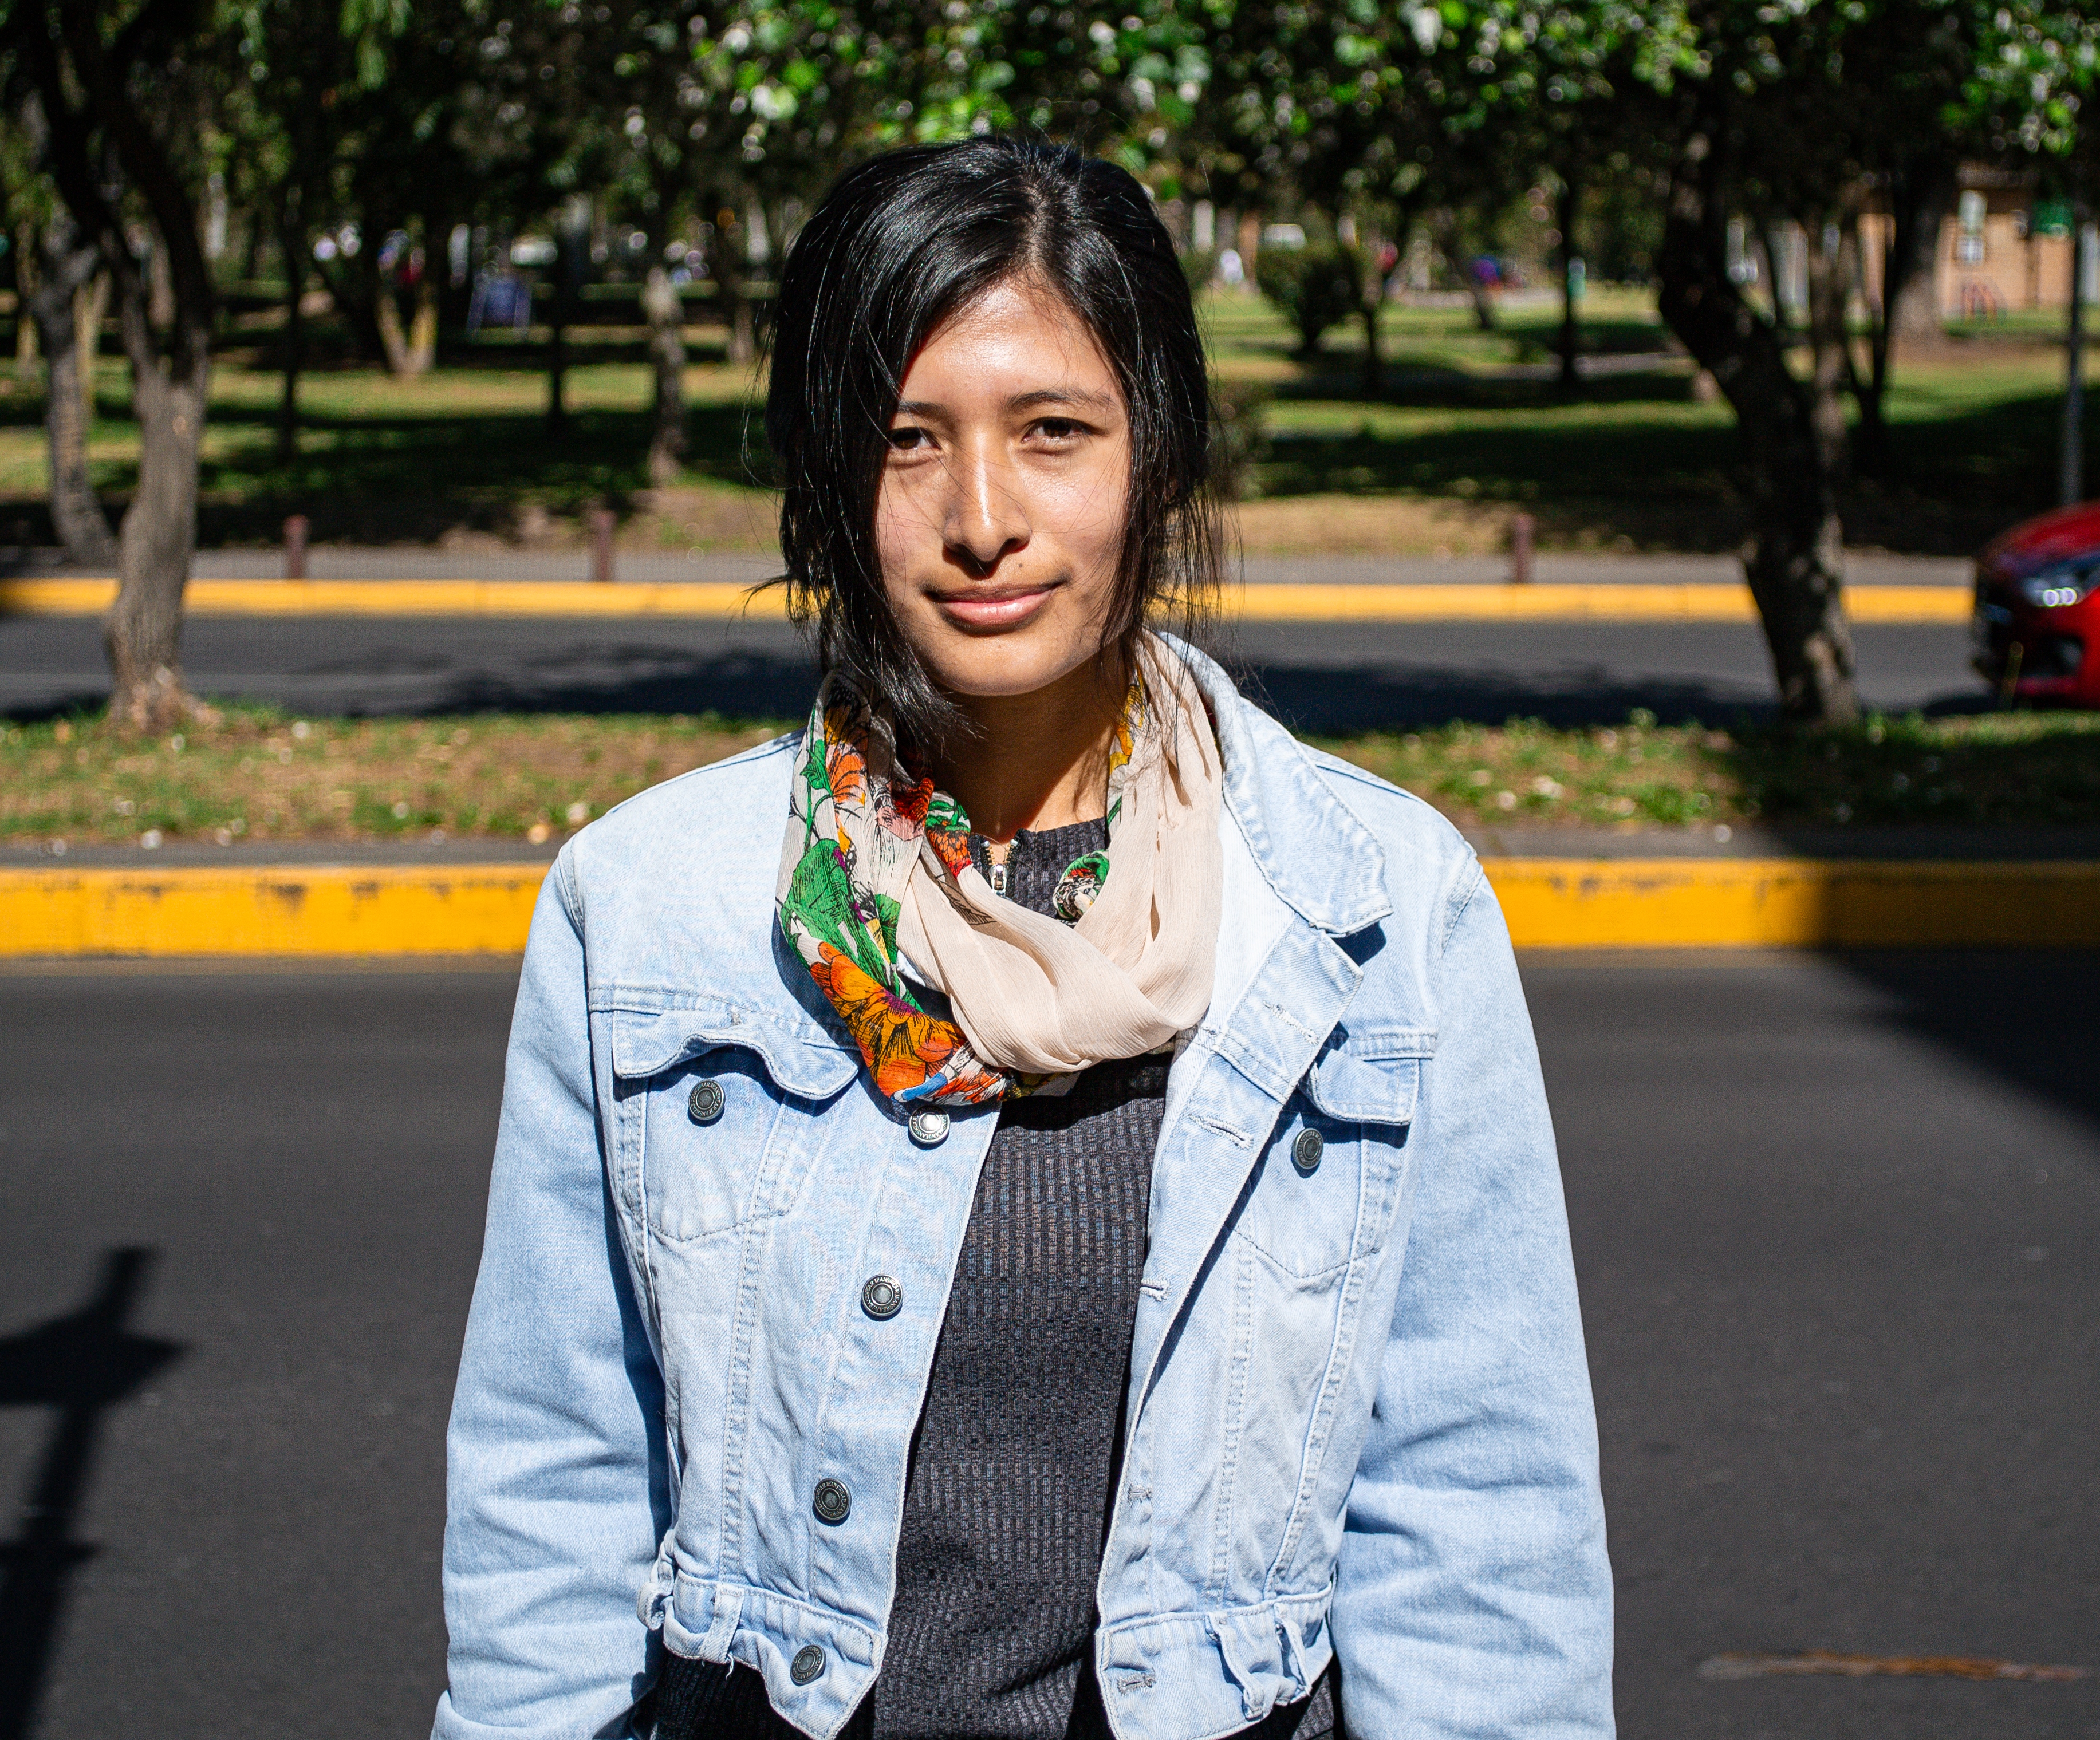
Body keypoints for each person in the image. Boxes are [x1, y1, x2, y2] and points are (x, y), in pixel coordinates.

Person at [434, 136, 1611, 1740]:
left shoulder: (1377, 914)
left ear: (1160, 457)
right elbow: (554, 1493)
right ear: (829, 483)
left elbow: (1480, 1522)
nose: (980, 517)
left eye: (1053, 432)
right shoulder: (652, 910)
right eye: (907, 441)